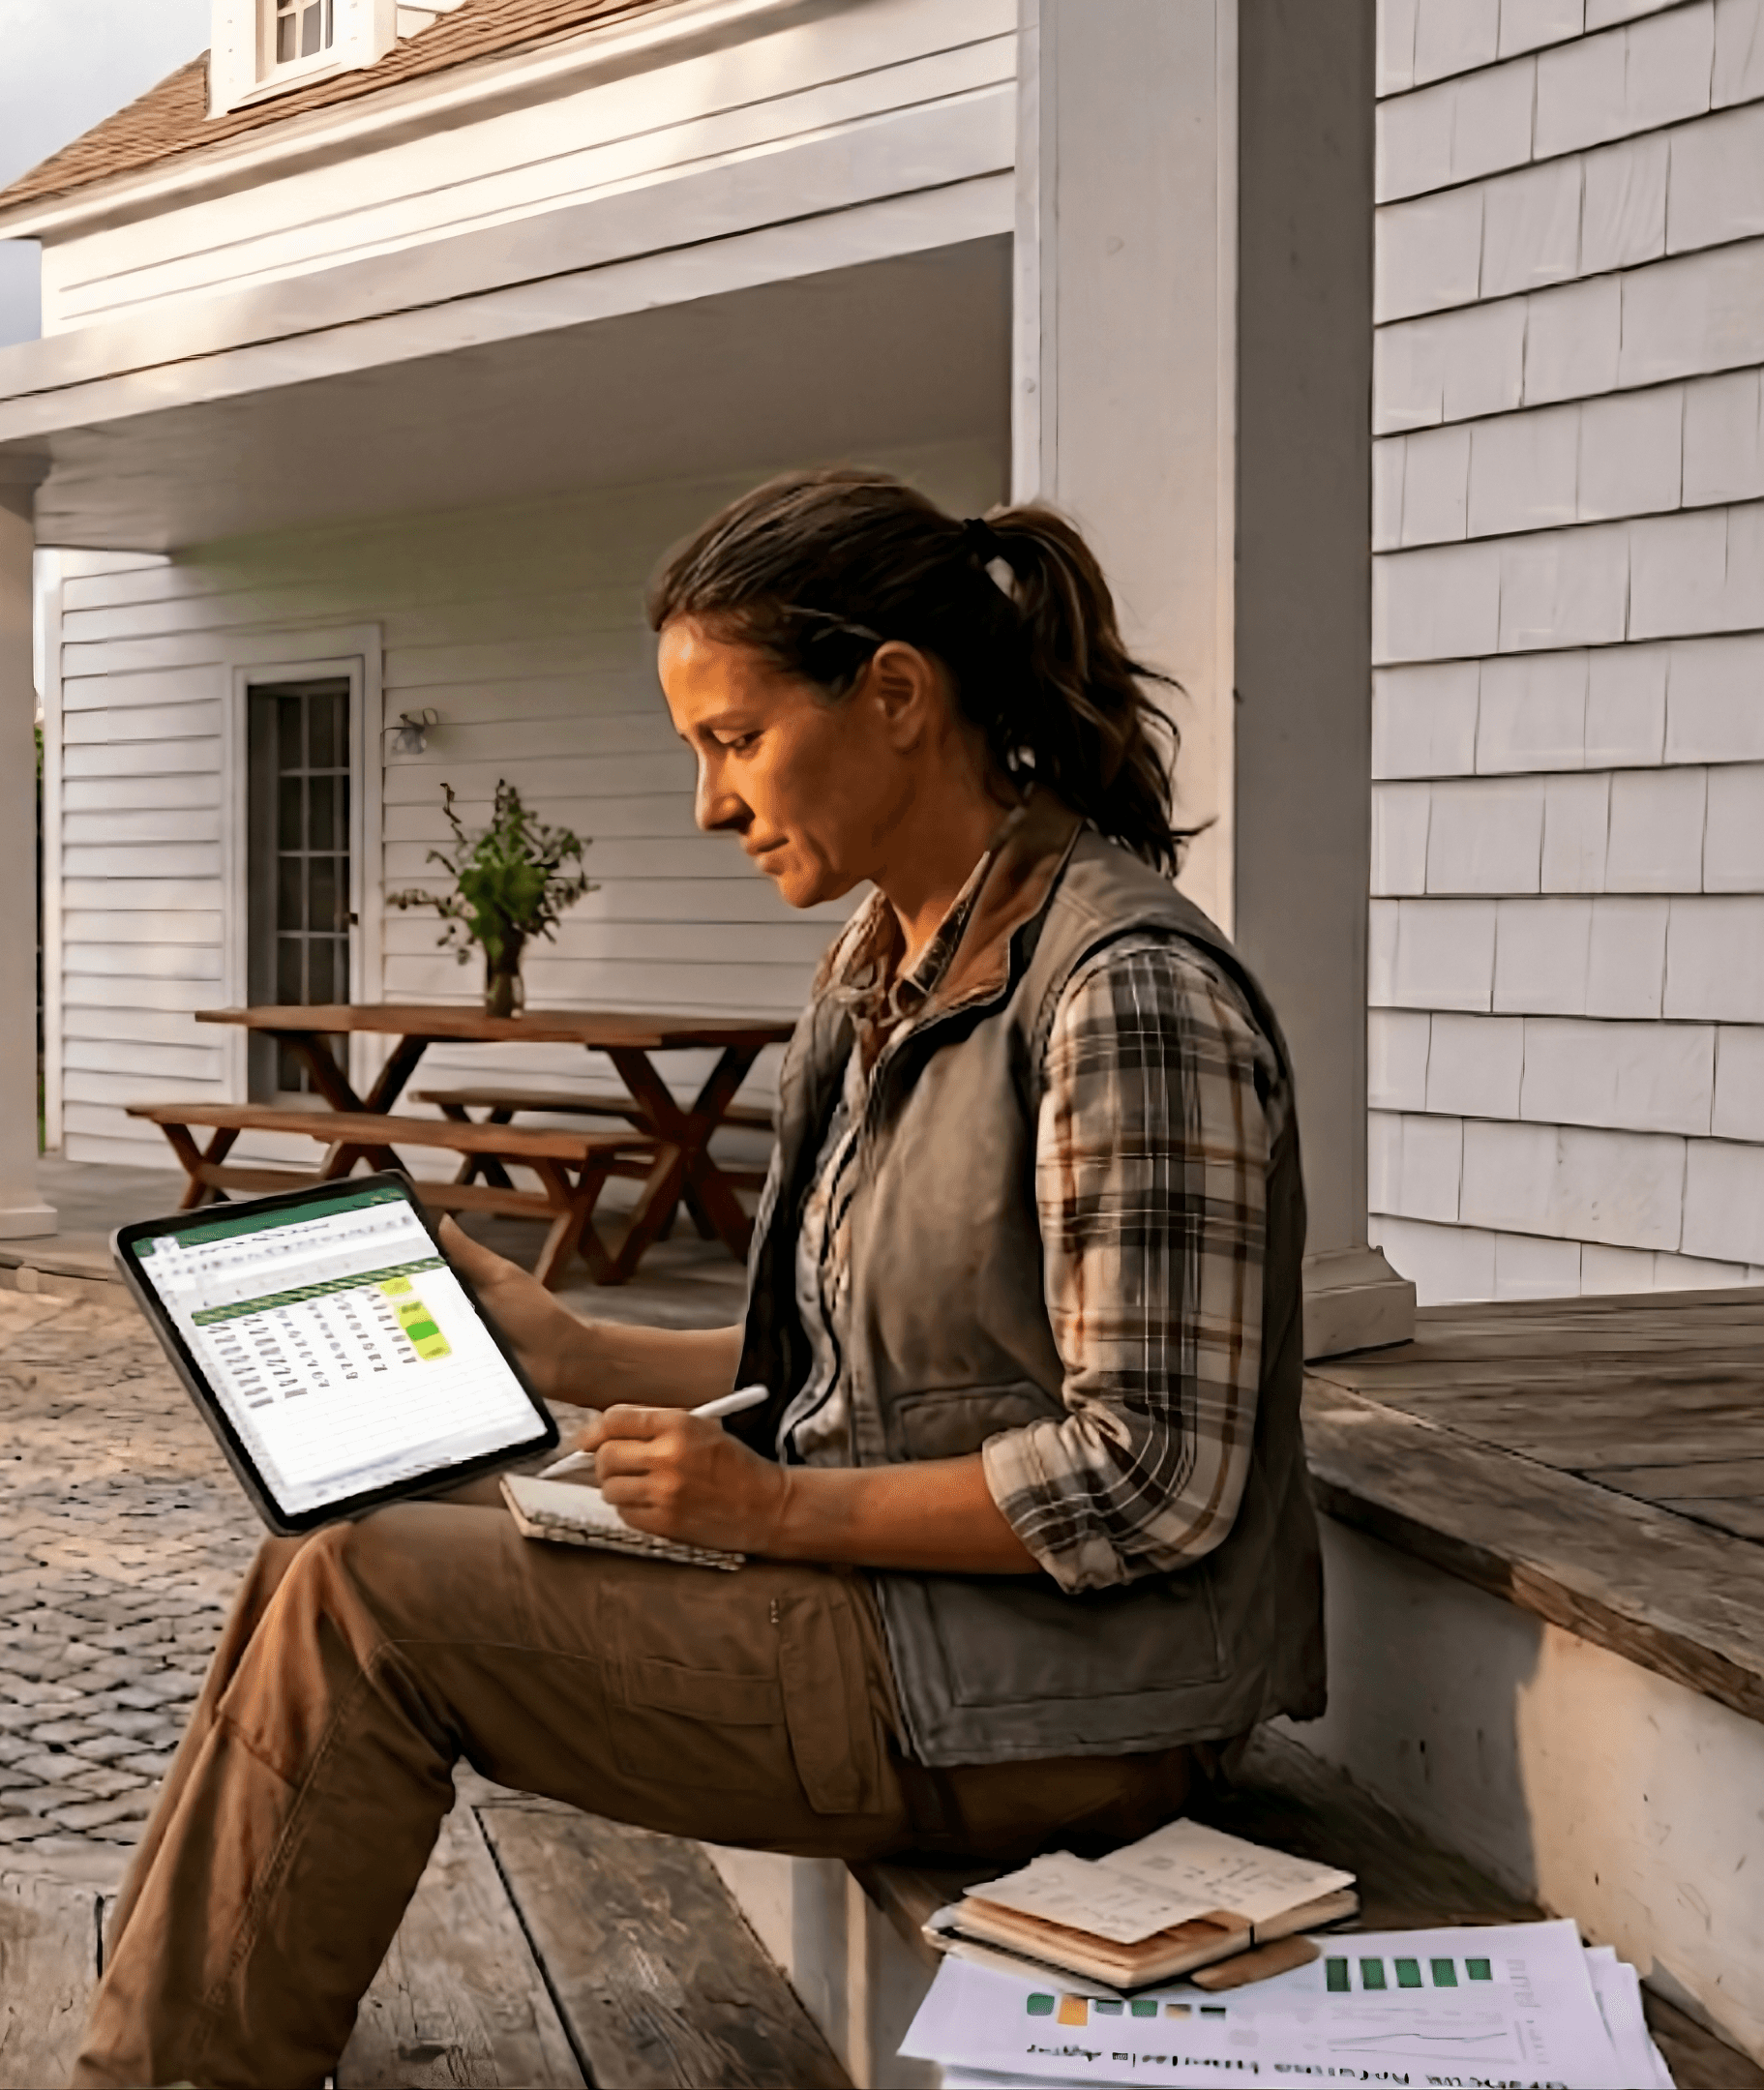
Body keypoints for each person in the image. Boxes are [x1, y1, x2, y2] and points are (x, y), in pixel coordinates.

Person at [71, 467, 1330, 2089]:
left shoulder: (1121, 996)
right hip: (923, 1632)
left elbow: (1152, 1480)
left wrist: (773, 1509)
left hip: (1072, 1704)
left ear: (895, 697)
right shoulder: (882, 967)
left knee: (366, 1595)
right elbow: (843, 1372)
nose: (708, 805)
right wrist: (575, 1351)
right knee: (329, 1544)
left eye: (734, 739)